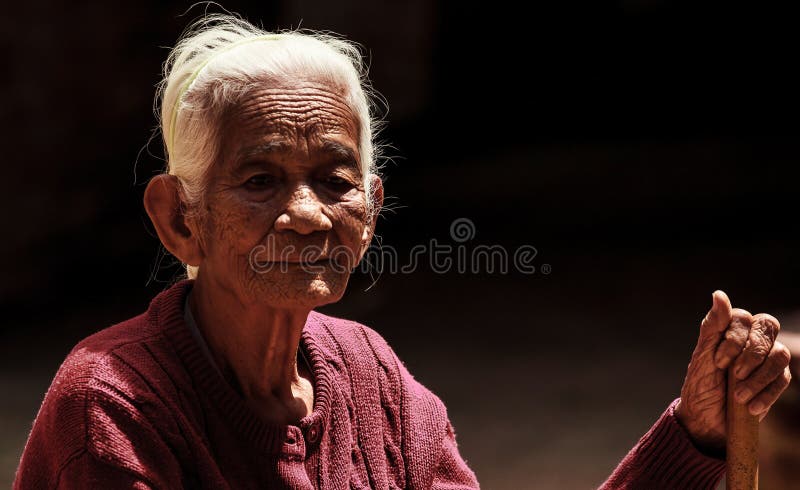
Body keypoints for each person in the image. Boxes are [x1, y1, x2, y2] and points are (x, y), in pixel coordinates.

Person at [14, 13, 792, 489]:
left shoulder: (370, 378)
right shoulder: (112, 407)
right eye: (259, 180)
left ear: (373, 208)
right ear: (179, 220)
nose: (307, 215)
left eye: (334, 179)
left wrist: (695, 435)